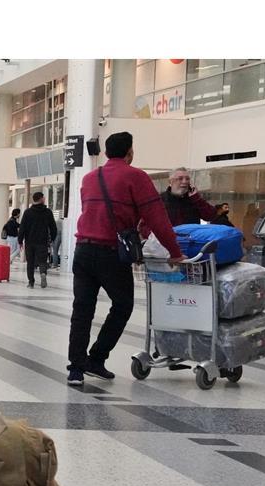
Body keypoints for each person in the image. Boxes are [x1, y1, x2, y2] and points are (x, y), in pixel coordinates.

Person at [66, 131, 185, 386]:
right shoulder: (136, 176)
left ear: (107, 152)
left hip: (83, 250)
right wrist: (175, 252)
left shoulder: (89, 178)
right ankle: (96, 358)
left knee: (82, 310)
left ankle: (76, 369)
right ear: (130, 152)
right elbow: (157, 218)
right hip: (111, 253)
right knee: (122, 305)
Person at [153, 167, 218, 227]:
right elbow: (147, 223)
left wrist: (197, 199)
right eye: (180, 179)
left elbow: (211, 216)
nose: (184, 182)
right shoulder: (160, 200)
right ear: (170, 181)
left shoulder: (194, 199)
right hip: (169, 238)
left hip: (191, 238)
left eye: (187, 179)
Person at [17, 192, 57, 289]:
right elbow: (53, 227)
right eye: (44, 197)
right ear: (41, 199)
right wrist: (52, 238)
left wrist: (20, 240)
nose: (44, 199)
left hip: (30, 242)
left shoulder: (28, 212)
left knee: (30, 262)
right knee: (42, 260)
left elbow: (22, 227)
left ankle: (31, 282)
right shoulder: (48, 212)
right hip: (42, 241)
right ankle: (43, 273)